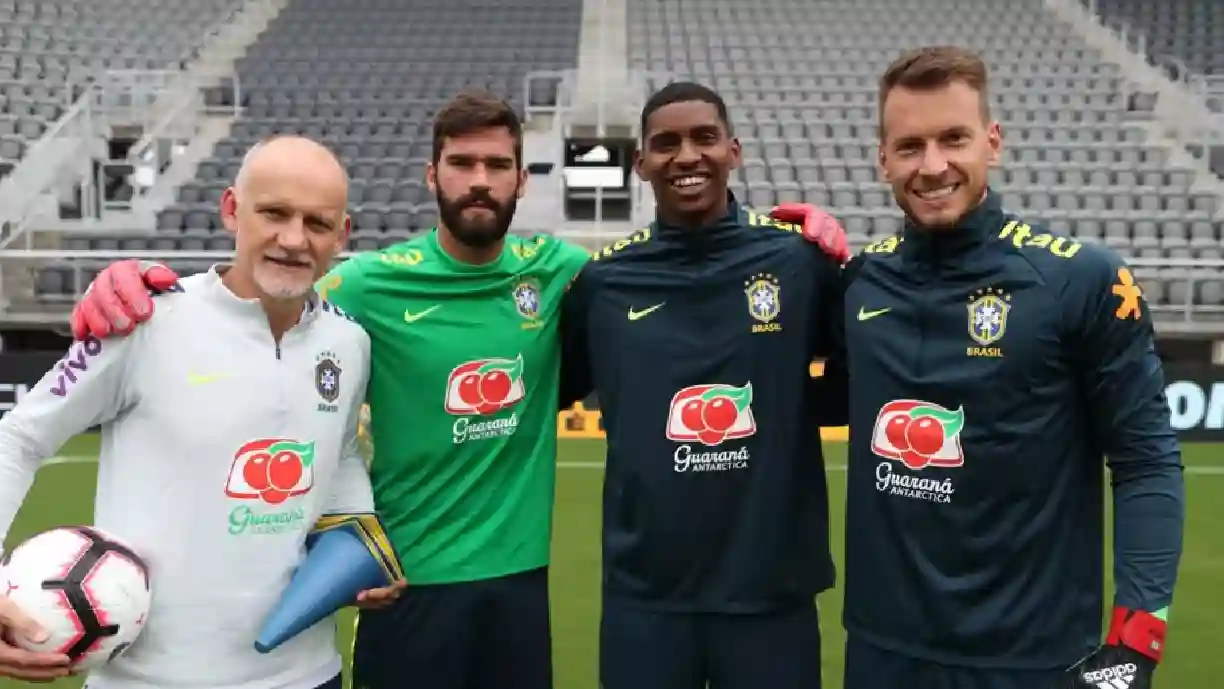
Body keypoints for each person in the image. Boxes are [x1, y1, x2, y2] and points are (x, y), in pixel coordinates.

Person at [66, 89, 849, 689]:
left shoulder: (569, 276)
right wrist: (136, 283)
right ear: (430, 173)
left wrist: (814, 233)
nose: (480, 181)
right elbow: (259, 294)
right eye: (462, 164)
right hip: (404, 585)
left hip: (521, 587)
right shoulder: (368, 283)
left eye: (497, 165)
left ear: (520, 176)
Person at [780, 45, 1185, 689]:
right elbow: (798, 392)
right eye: (910, 146)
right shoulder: (858, 284)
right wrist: (772, 253)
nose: (933, 165)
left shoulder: (1082, 280)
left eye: (954, 139)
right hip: (883, 652)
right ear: (882, 160)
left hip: (1036, 657)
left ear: (992, 143)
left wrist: (1137, 641)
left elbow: (1146, 462)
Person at [0, 135, 404, 688]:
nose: (293, 239)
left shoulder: (348, 343)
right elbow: (19, 437)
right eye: (274, 214)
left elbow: (340, 454)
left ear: (343, 235)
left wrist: (360, 538)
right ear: (232, 211)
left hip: (308, 675)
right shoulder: (142, 322)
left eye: (316, 222)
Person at [559, 81, 849, 689]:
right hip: (647, 598)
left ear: (734, 151)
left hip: (771, 593)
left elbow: (863, 371)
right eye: (665, 144)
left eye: (704, 139)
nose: (686, 156)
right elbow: (547, 395)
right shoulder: (603, 284)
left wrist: (793, 407)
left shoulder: (799, 264)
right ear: (640, 165)